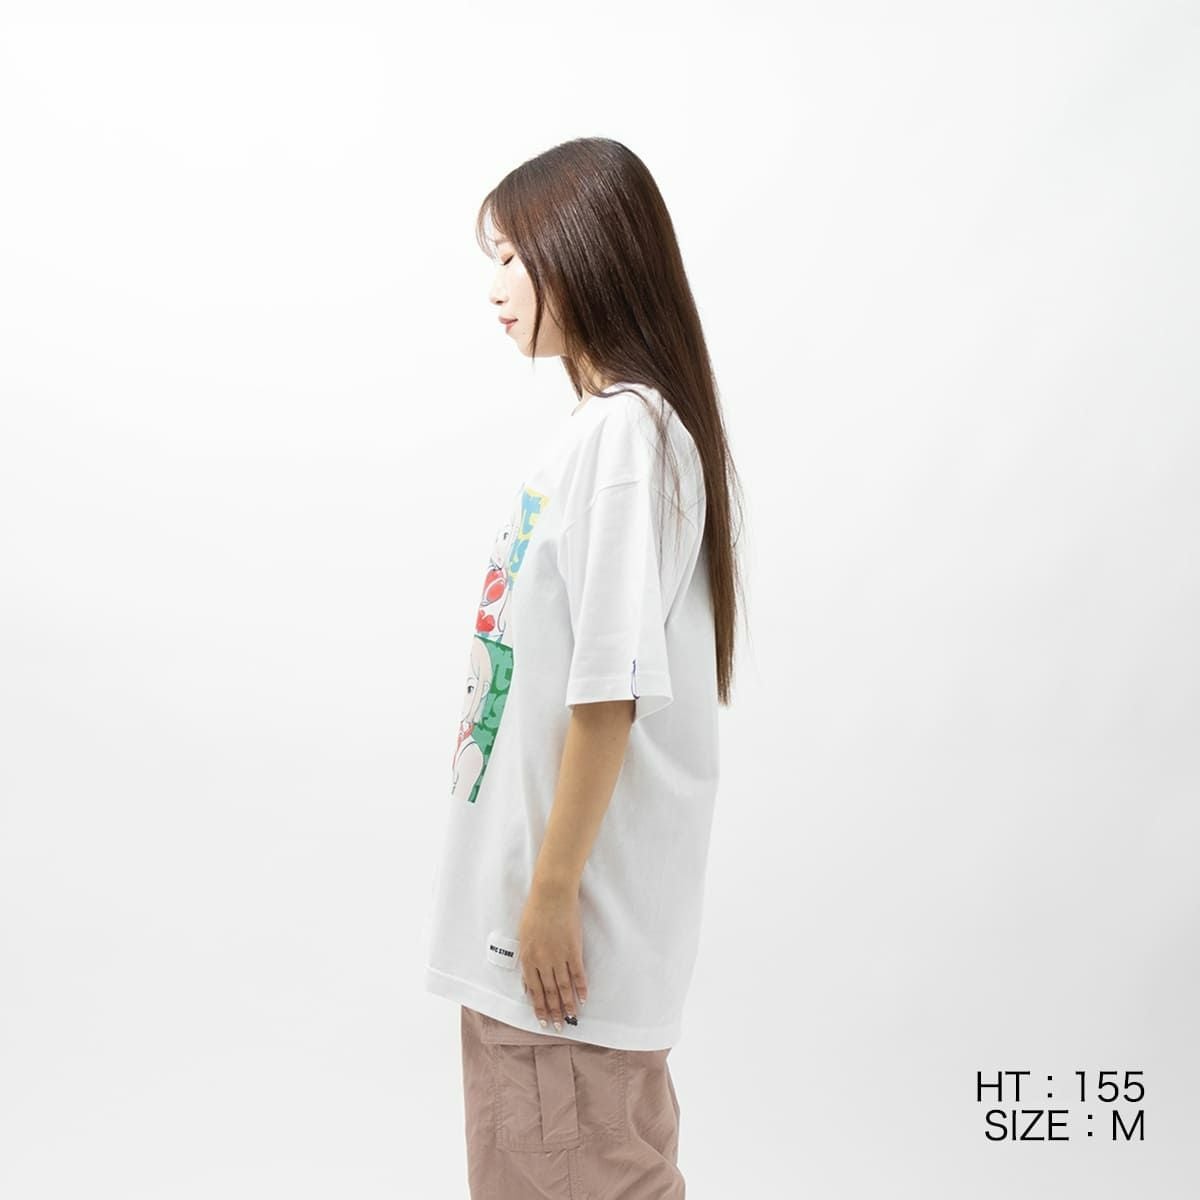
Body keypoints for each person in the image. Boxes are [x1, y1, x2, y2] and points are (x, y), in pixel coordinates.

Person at [422, 136, 745, 1200]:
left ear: (586, 251)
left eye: (515, 256)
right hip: (543, 962)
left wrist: (552, 894)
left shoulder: (625, 437)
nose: (496, 286)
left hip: (556, 971)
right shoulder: (607, 436)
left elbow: (610, 690)